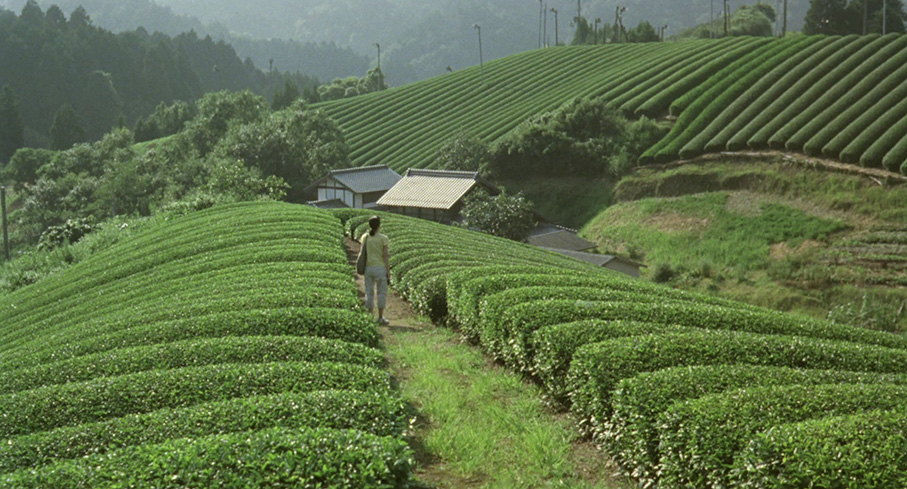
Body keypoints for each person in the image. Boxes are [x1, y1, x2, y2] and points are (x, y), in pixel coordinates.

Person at [360, 215, 391, 325]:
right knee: (381, 293)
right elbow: (385, 256)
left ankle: (370, 316)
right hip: (380, 269)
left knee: (369, 293)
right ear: (379, 225)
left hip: (368, 268)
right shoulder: (383, 238)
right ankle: (380, 317)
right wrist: (388, 271)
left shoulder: (365, 237)